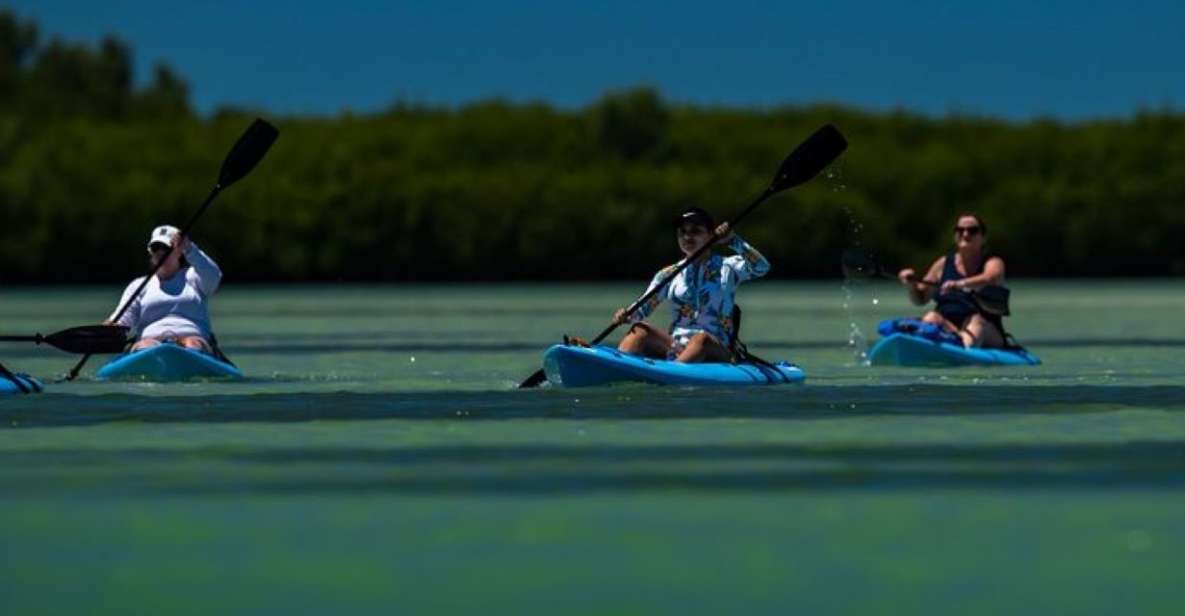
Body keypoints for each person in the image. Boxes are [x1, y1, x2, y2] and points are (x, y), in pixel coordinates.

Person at [612, 207, 770, 362]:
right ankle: (619, 367)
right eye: (682, 232)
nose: (687, 237)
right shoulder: (667, 274)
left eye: (696, 231)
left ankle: (672, 375)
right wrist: (626, 315)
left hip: (717, 347)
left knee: (700, 340)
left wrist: (733, 241)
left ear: (710, 235)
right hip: (677, 346)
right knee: (639, 329)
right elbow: (642, 309)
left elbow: (762, 267)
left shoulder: (729, 267)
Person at [105, 225, 223, 354]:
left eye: (166, 248)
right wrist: (109, 327)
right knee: (145, 346)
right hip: (149, 341)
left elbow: (214, 276)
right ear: (150, 252)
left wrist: (190, 249)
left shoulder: (195, 277)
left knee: (192, 344)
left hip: (193, 340)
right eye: (155, 248)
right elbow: (122, 321)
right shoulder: (138, 285)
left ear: (179, 251)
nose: (160, 253)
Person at [897, 213, 1006, 348]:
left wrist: (960, 284)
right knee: (931, 317)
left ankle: (966, 349)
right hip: (950, 327)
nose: (965, 234)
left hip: (986, 330)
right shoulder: (942, 264)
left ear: (983, 237)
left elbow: (991, 278)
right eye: (960, 230)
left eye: (972, 230)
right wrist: (911, 285)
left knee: (976, 321)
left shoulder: (993, 262)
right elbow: (921, 298)